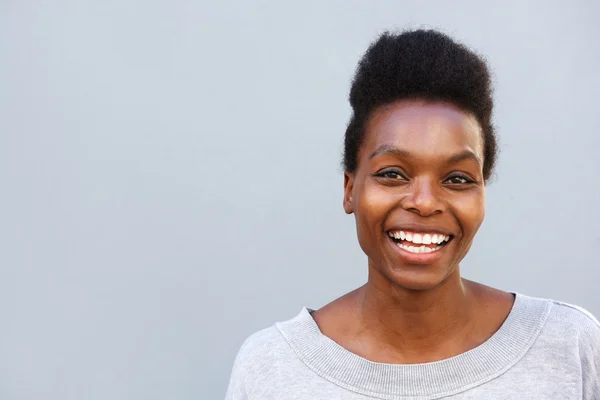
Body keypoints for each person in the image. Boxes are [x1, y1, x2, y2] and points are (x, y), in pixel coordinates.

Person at [224, 29, 600, 399]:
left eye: (457, 178)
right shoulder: (272, 368)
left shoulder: (569, 347)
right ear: (350, 189)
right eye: (392, 174)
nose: (424, 202)